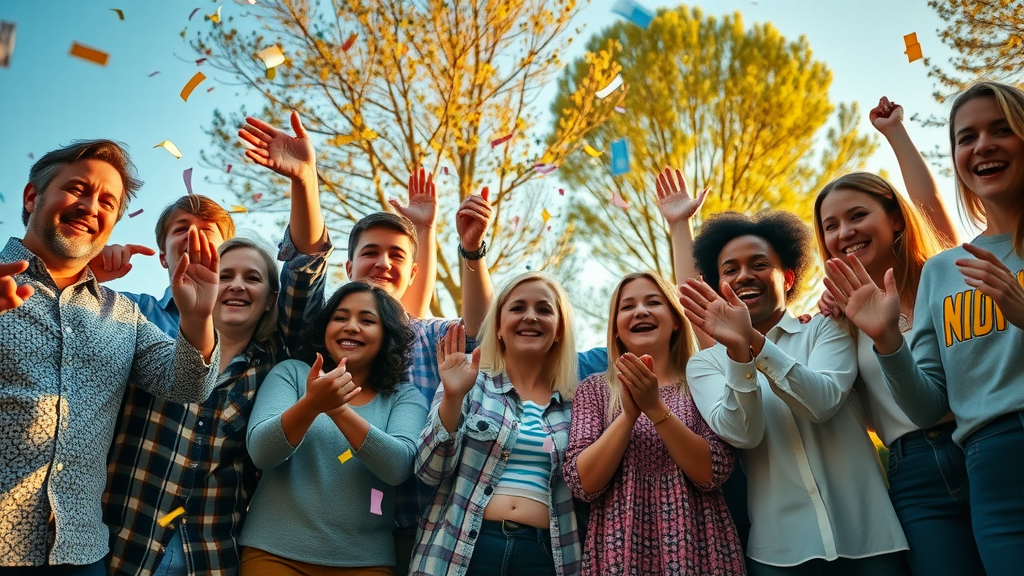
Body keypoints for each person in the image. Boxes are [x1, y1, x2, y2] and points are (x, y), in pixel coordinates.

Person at [102, 112, 332, 576]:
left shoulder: (277, 358)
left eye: (252, 278)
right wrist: (88, 272)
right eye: (181, 229)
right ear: (165, 252)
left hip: (209, 553)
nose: (235, 285)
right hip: (121, 544)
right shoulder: (135, 314)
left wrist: (305, 180)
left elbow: (306, 269)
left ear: (271, 299)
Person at [825, 81, 1024, 576]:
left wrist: (895, 134)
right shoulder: (942, 274)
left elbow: (929, 206)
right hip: (968, 463)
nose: (982, 146)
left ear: (895, 221)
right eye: (966, 137)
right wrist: (888, 341)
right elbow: (922, 401)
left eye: (1002, 129)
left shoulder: (940, 264)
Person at [0, 140, 220, 574]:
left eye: (107, 201)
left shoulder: (124, 315)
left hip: (81, 554)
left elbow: (189, 385)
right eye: (77, 189)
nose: (90, 206)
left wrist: (197, 317)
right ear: (31, 197)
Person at [678, 210, 908, 575]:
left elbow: (821, 402)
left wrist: (752, 341)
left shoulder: (826, 330)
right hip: (778, 555)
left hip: (871, 541)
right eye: (730, 270)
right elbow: (743, 433)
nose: (744, 276)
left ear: (786, 278)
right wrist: (739, 354)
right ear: (717, 284)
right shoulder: (706, 364)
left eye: (758, 264)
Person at [563, 271, 746, 575]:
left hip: (700, 548)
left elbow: (712, 472)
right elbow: (583, 484)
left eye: (653, 302)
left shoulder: (702, 382)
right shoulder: (594, 389)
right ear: (616, 329)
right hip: (618, 552)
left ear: (676, 320)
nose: (640, 311)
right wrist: (630, 414)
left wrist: (655, 408)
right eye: (627, 306)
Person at [240, 281, 428, 575]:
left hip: (366, 562)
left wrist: (336, 408)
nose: (351, 327)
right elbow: (262, 452)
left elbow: (397, 467)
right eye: (340, 317)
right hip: (274, 554)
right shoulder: (291, 374)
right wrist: (310, 404)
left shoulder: (404, 397)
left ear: (386, 335)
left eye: (367, 320)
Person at [413, 273, 582, 576]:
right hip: (463, 549)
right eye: (517, 308)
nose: (530, 316)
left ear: (559, 330)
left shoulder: (578, 403)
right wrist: (452, 397)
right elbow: (428, 471)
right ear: (500, 328)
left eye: (544, 310)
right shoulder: (468, 380)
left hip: (545, 555)